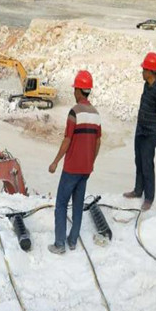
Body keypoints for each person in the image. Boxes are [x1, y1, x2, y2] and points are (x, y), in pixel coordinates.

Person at [48, 71, 101, 254]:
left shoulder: (74, 112)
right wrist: (91, 162)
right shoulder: (96, 114)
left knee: (61, 204)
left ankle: (59, 244)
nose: (73, 92)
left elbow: (67, 140)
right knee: (78, 206)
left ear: (79, 90)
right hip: (86, 169)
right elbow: (98, 141)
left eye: (74, 89)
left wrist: (55, 162)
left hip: (71, 168)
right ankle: (72, 241)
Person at [123, 52, 156, 211]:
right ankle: (137, 190)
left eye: (144, 69)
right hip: (140, 128)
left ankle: (149, 197)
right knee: (139, 160)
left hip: (151, 132)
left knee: (147, 163)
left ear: (150, 71)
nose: (142, 72)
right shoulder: (146, 85)